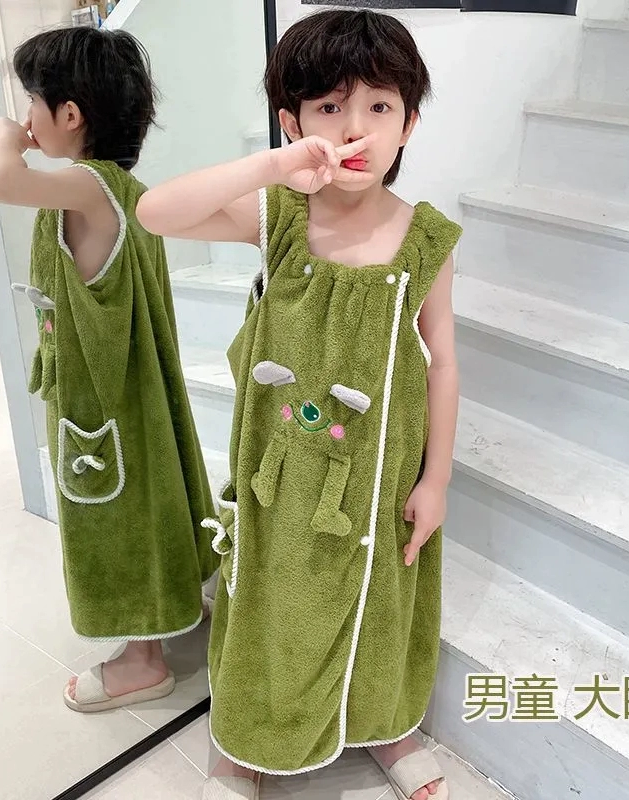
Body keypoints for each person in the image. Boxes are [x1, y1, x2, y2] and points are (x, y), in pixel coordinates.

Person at [137, 9, 461, 800]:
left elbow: (444, 363)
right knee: (270, 602)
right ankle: (242, 742)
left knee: (381, 602)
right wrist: (275, 169)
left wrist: (437, 480)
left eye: (379, 106)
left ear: (409, 124)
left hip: (380, 477)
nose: (354, 128)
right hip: (280, 478)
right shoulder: (279, 216)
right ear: (293, 122)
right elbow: (155, 212)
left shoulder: (425, 239)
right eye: (328, 107)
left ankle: (386, 726)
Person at [0, 26, 218, 713]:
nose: (26, 118)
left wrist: (7, 140)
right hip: (132, 390)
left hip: (99, 399)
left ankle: (143, 659)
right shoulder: (124, 189)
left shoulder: (86, 186)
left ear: (70, 114)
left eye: (33, 102)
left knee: (115, 513)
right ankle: (178, 604)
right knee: (153, 493)